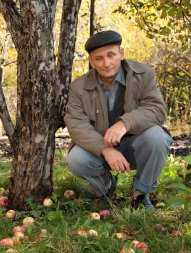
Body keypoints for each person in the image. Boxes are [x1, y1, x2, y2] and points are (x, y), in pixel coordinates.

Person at [64, 30, 172, 209]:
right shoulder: (78, 87)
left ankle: (140, 193)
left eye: (111, 55)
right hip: (100, 149)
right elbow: (76, 126)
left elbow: (157, 109)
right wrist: (105, 149)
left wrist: (124, 123)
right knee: (76, 159)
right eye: (98, 58)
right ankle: (106, 187)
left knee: (158, 137)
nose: (106, 63)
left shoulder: (144, 74)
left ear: (121, 54)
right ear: (91, 62)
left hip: (135, 145)